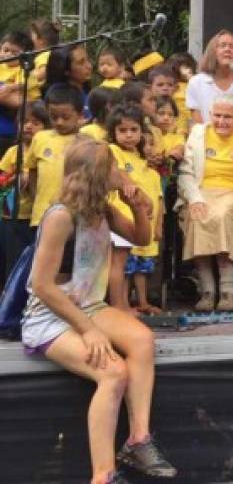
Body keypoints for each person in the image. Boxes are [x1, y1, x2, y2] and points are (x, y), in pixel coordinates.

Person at [21, 137, 176, 484]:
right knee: (113, 373)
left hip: (89, 305)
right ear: (96, 173)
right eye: (114, 166)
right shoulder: (61, 216)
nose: (120, 171)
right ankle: (103, 475)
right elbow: (43, 286)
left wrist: (137, 204)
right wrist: (88, 330)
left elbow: (142, 237)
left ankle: (138, 440)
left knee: (142, 340)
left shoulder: (101, 209)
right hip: (51, 315)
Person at [178, 94, 233, 312]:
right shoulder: (198, 133)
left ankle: (228, 291)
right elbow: (185, 171)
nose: (221, 121)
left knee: (223, 214)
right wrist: (195, 198)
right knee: (198, 213)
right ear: (210, 114)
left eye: (228, 117)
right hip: (203, 191)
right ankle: (207, 291)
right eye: (217, 115)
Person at [106, 104, 164, 314]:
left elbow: (157, 198)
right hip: (121, 217)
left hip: (139, 221)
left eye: (134, 130)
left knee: (134, 266)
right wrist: (143, 200)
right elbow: (122, 176)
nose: (129, 135)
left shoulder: (142, 161)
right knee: (119, 265)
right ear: (113, 132)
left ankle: (136, 303)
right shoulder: (113, 151)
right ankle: (120, 307)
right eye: (122, 131)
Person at [0, 101, 48, 284]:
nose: (28, 126)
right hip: (11, 217)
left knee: (32, 264)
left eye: (36, 123)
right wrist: (15, 176)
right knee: (12, 263)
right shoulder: (13, 152)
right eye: (24, 121)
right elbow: (2, 182)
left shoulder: (45, 152)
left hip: (34, 217)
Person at [24, 84, 83, 228]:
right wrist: (36, 198)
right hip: (42, 216)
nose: (59, 122)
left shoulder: (86, 141)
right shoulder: (40, 138)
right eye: (54, 117)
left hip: (75, 218)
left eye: (66, 117)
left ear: (80, 115)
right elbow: (32, 170)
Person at [185, 30, 233, 127]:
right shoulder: (197, 82)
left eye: (232, 46)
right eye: (223, 45)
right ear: (213, 52)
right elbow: (198, 126)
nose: (227, 49)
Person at [44, 44, 93, 110]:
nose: (89, 66)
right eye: (81, 63)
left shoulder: (84, 88)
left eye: (88, 60)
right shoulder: (58, 97)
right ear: (66, 71)